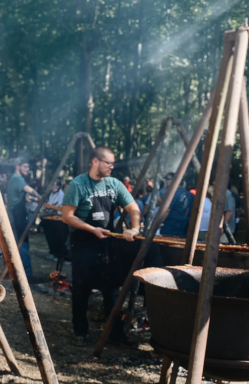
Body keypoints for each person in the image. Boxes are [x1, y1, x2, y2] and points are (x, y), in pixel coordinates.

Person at [61, 146, 141, 346]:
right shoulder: (77, 185)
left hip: (108, 245)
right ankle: (80, 332)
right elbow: (67, 216)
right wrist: (91, 229)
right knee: (81, 290)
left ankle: (114, 332)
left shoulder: (114, 184)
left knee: (112, 289)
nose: (112, 167)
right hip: (83, 245)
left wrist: (135, 228)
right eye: (108, 163)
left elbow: (133, 207)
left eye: (113, 163)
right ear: (95, 161)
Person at [7, 158, 40, 277]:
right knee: (22, 245)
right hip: (17, 217)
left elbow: (17, 197)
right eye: (25, 167)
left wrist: (28, 199)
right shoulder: (17, 178)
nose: (27, 169)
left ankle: (15, 272)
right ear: (17, 166)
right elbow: (30, 190)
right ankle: (27, 274)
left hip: (16, 215)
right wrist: (40, 197)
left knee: (17, 244)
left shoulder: (13, 179)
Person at [158, 173, 194, 238]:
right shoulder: (189, 194)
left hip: (170, 224)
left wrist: (159, 222)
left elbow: (167, 210)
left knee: (165, 244)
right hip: (183, 223)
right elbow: (188, 210)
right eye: (166, 179)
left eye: (169, 179)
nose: (167, 181)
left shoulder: (172, 193)